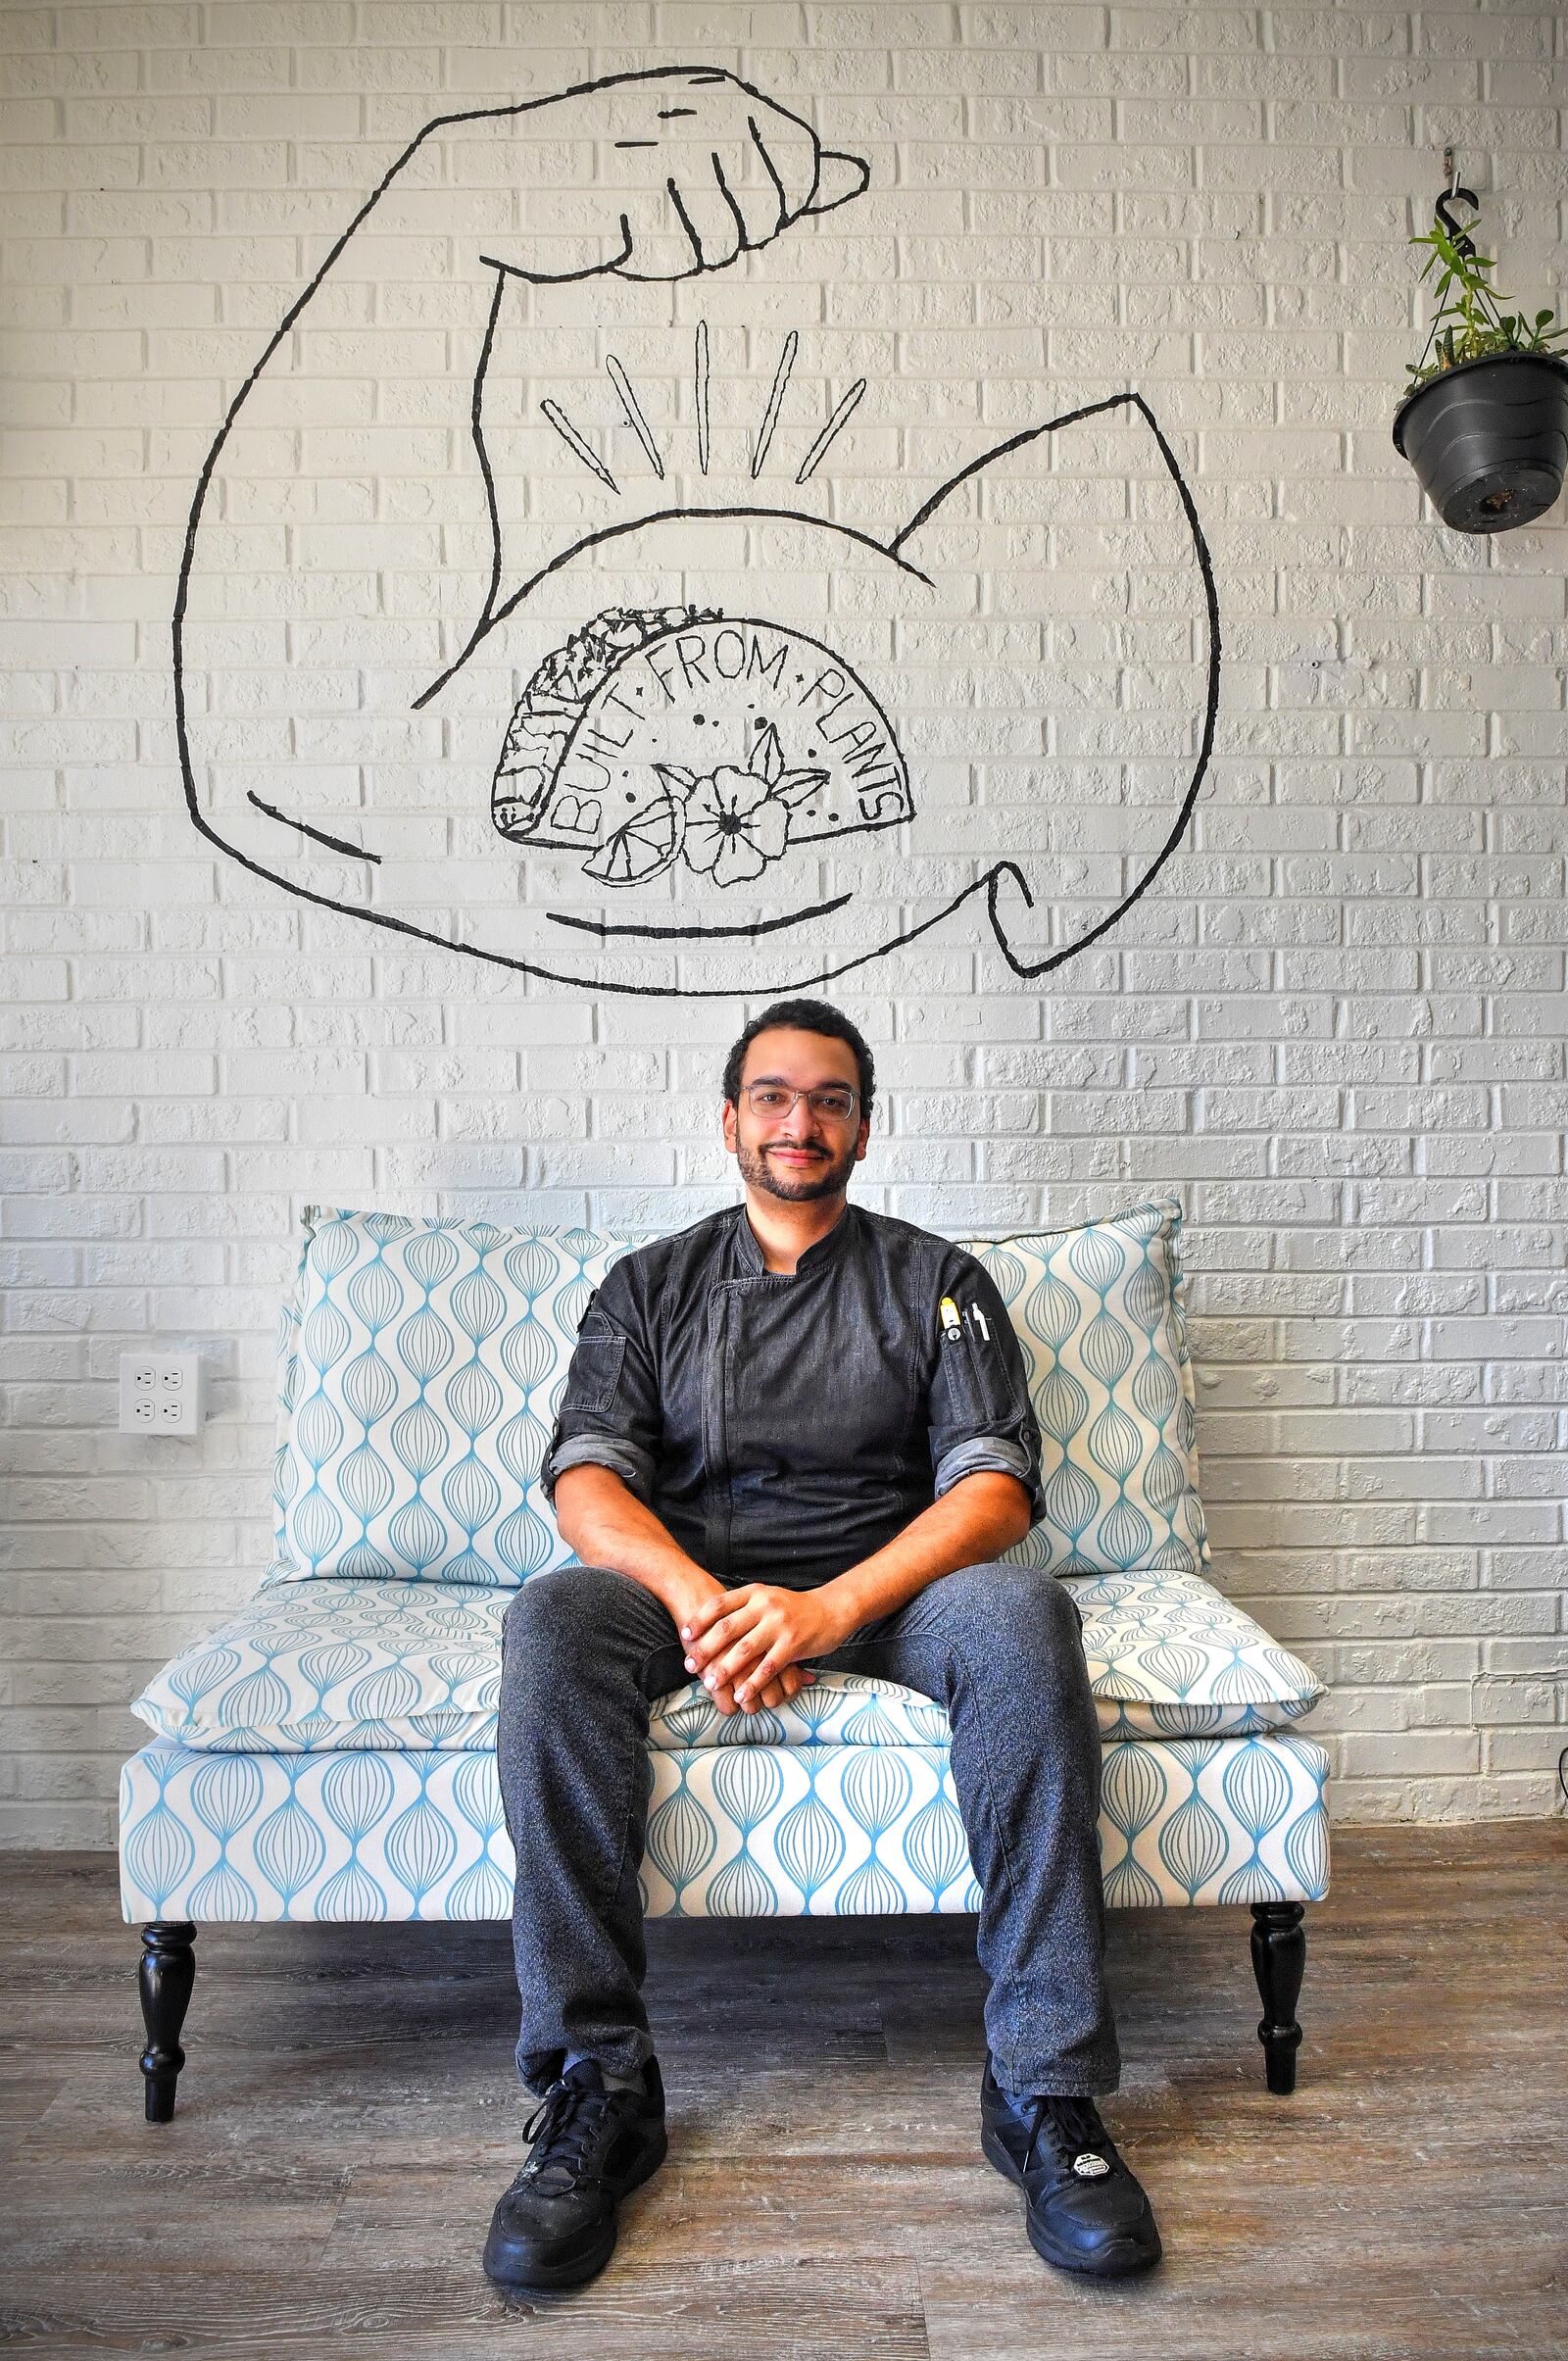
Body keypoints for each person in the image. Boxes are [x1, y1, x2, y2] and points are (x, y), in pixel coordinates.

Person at [484, 998, 1161, 2291]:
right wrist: (700, 1600)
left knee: (1025, 1609)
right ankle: (598, 2084)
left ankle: (1043, 2089)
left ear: (863, 1124)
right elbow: (585, 1487)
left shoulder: (937, 1281)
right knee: (555, 1617)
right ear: (731, 1118)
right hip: (693, 1591)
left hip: (890, 1589)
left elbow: (993, 1494)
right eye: (778, 1095)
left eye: (833, 1097)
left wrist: (827, 1609)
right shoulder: (650, 1286)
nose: (804, 1120)